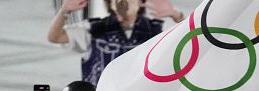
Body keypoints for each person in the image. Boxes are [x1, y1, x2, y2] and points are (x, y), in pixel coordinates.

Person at [48, 0, 185, 86]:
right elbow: (55, 37)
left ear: (141, 2)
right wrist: (64, 11)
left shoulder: (157, 30)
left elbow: (191, 40)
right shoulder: (94, 29)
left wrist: (175, 14)